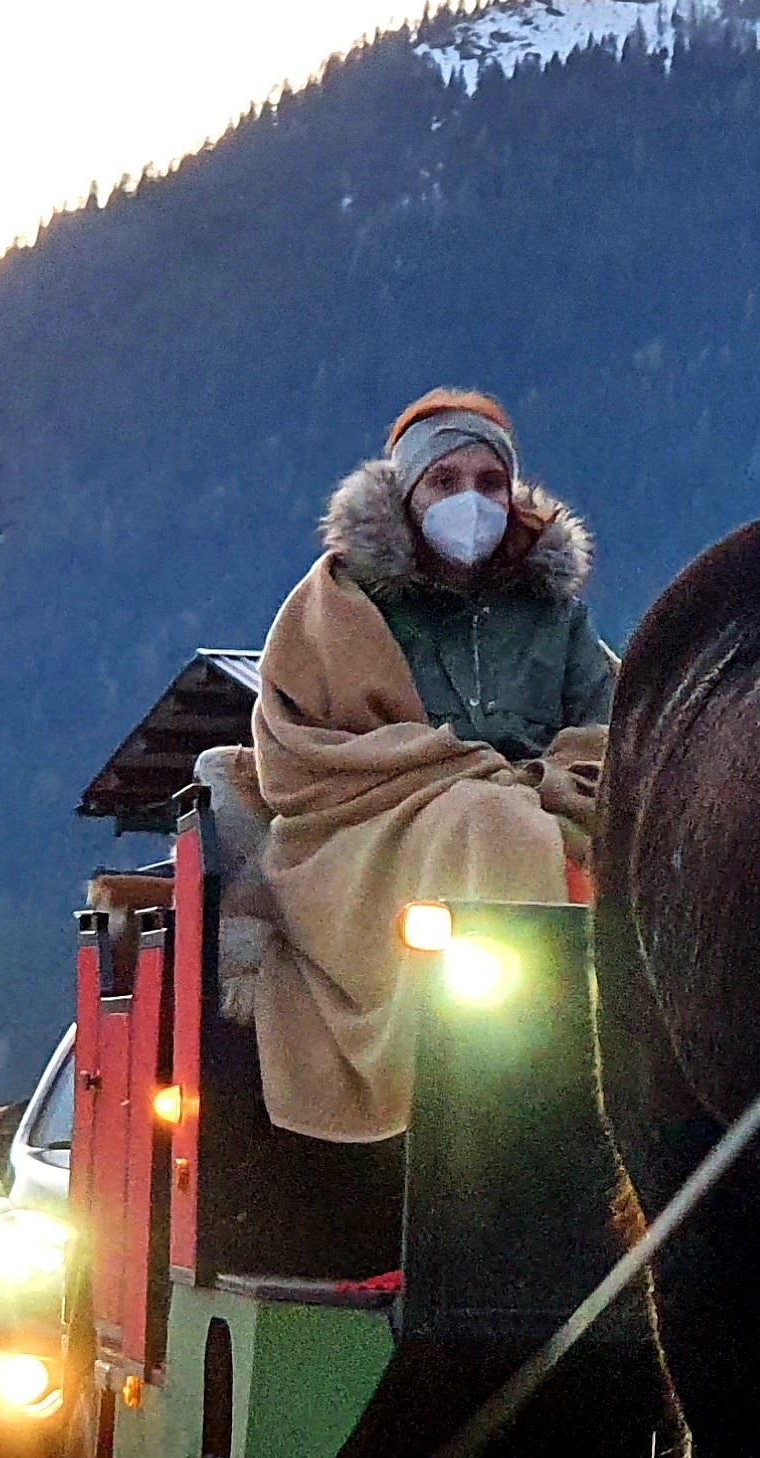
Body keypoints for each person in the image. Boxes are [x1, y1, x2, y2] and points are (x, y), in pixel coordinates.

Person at [221, 391, 615, 1142]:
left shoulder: (556, 613)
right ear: (405, 496)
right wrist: (460, 774)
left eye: (488, 482)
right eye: (445, 481)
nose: (470, 500)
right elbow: (300, 757)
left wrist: (547, 781)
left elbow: (611, 731)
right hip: (362, 834)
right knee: (487, 819)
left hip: (544, 817)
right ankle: (506, 1077)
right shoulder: (335, 604)